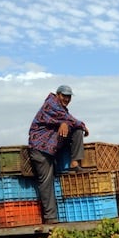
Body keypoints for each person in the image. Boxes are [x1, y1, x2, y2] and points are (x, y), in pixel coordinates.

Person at [28, 84, 90, 224]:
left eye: (69, 97)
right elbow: (71, 120)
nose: (67, 99)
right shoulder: (51, 104)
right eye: (64, 96)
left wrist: (65, 123)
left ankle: (75, 162)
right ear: (58, 95)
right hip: (40, 149)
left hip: (51, 148)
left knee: (76, 130)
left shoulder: (61, 109)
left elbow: (68, 120)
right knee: (46, 182)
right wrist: (75, 124)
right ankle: (50, 218)